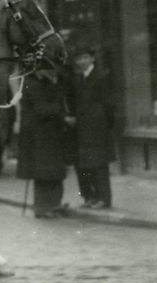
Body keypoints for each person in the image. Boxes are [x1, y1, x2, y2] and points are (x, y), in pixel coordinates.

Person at [17, 68, 74, 218]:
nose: (51, 71)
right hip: (38, 134)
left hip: (52, 132)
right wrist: (63, 116)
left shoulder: (49, 81)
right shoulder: (31, 83)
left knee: (56, 169)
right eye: (47, 68)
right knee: (42, 171)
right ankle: (42, 207)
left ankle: (55, 203)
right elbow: (42, 109)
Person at [71, 46, 115, 209]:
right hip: (82, 128)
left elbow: (108, 103)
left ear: (92, 59)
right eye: (79, 58)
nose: (81, 61)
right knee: (84, 164)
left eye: (85, 58)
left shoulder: (101, 76)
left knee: (99, 164)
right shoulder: (78, 78)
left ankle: (104, 198)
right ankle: (89, 197)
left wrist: (105, 123)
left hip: (97, 127)